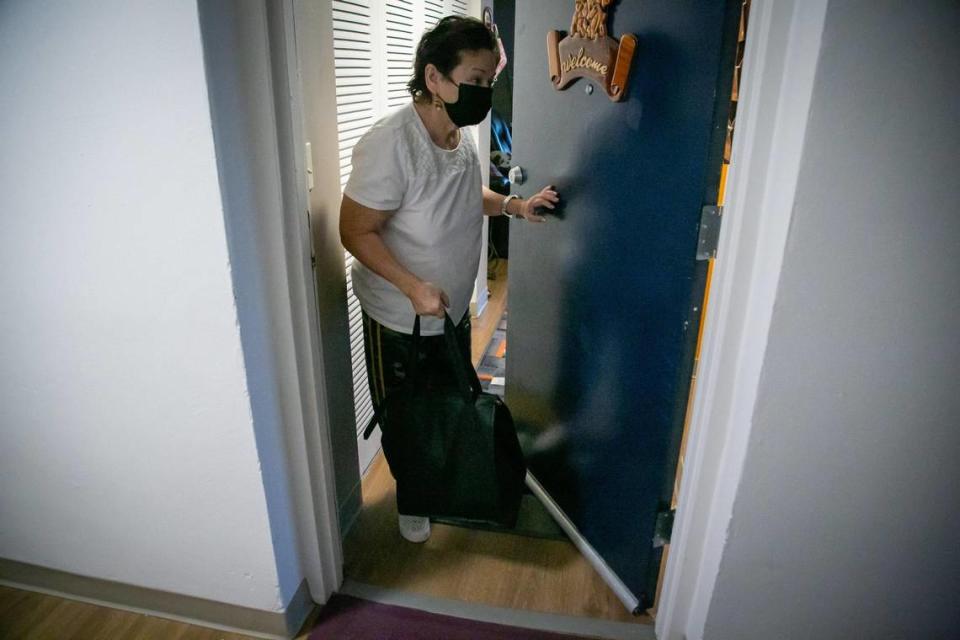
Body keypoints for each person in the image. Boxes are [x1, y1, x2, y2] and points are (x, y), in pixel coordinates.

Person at [339, 16, 559, 543]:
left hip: (450, 309)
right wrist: (412, 287)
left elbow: (467, 193)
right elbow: (354, 231)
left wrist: (512, 204)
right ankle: (414, 499)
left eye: (489, 81)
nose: (484, 92)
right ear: (434, 78)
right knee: (410, 414)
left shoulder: (458, 135)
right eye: (476, 79)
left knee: (448, 402)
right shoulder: (391, 143)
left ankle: (448, 482)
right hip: (401, 315)